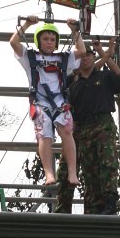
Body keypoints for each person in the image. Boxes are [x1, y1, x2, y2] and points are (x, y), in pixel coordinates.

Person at [56, 38, 120, 215]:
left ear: (93, 57)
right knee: (87, 171)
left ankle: (109, 203)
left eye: (89, 55)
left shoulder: (104, 76)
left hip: (102, 124)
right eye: (82, 56)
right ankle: (72, 211)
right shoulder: (71, 81)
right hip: (79, 128)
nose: (85, 58)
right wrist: (106, 54)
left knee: (107, 162)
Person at [10, 15, 86, 187]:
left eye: (52, 39)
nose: (49, 42)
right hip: (40, 102)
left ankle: (72, 173)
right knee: (44, 135)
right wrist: (27, 24)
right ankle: (49, 173)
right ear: (38, 41)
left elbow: (81, 51)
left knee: (67, 132)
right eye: (45, 39)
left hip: (60, 103)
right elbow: (14, 42)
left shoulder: (63, 58)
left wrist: (75, 31)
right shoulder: (30, 57)